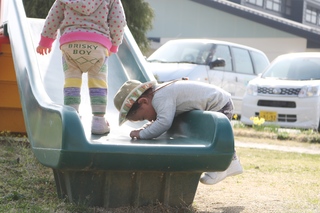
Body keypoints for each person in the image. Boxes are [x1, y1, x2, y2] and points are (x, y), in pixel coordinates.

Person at [113, 79, 243, 185]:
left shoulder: (160, 97)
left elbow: (164, 122)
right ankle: (231, 163)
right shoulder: (159, 94)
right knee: (209, 136)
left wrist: (142, 134)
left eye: (143, 118)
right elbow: (160, 119)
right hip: (217, 102)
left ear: (144, 101)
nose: (147, 119)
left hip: (219, 103)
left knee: (216, 136)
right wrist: (146, 127)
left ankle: (226, 165)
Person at [36, 0, 126, 135]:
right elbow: (118, 21)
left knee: (71, 82)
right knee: (98, 83)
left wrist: (46, 41)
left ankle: (72, 119)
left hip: (71, 43)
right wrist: (114, 44)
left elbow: (53, 17)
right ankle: (98, 121)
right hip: (98, 45)